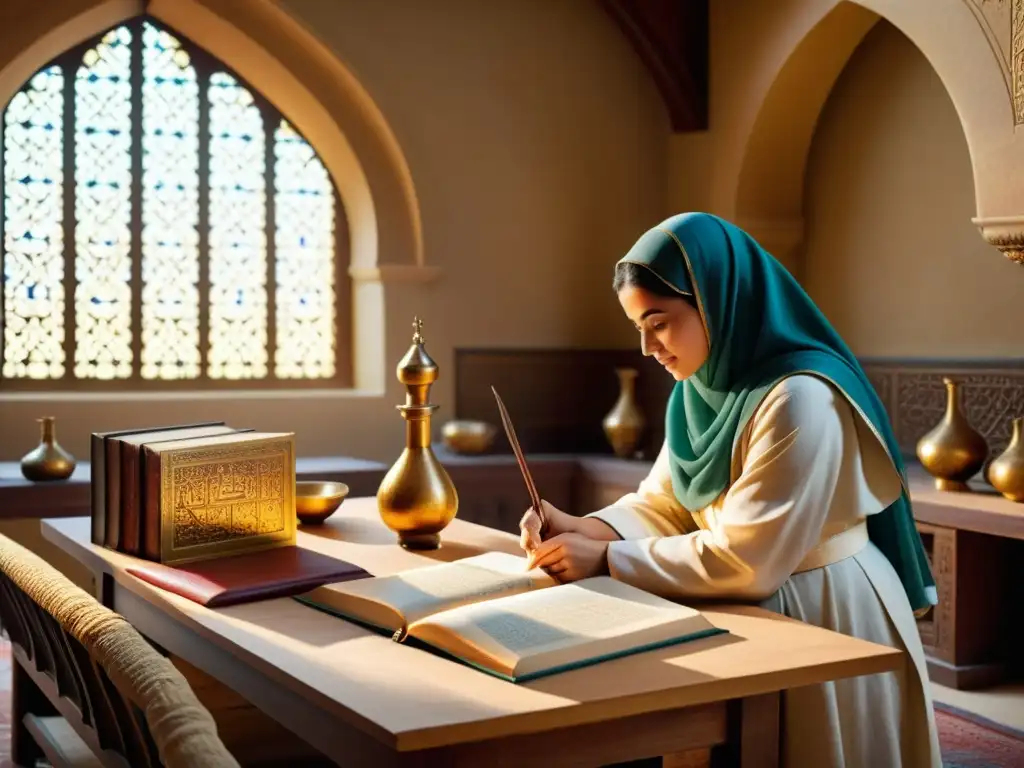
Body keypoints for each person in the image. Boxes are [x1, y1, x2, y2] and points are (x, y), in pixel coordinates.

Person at [519, 212, 941, 768]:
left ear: (717, 300)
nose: (647, 348)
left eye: (659, 323)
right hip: (738, 597)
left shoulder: (800, 398)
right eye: (637, 327)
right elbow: (667, 503)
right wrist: (587, 527)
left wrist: (603, 558)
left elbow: (750, 558)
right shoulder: (697, 389)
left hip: (821, 609)